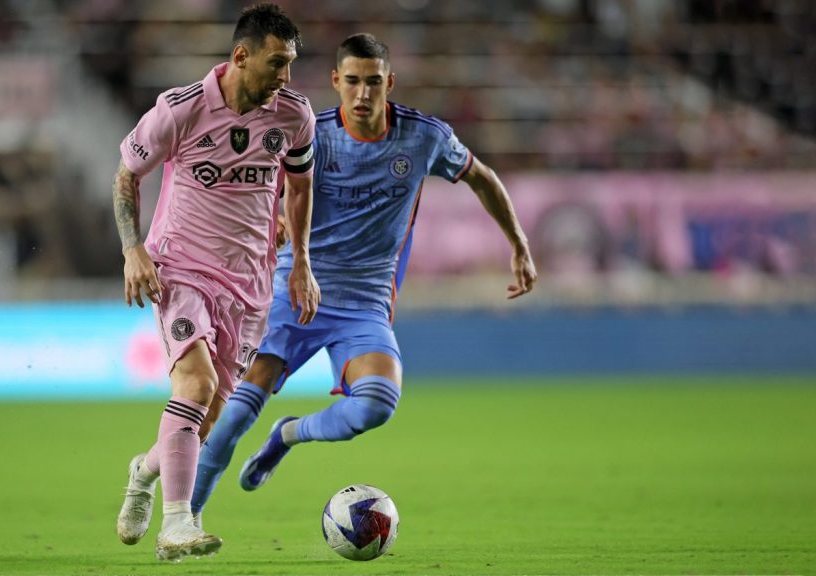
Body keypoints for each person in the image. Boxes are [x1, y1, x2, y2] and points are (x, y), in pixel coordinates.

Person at [190, 33, 537, 522]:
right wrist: (277, 222)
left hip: (364, 303)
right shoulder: (310, 134)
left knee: (377, 404)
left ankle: (287, 434)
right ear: (336, 81)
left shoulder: (424, 137)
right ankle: (186, 521)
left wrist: (519, 244)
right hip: (297, 287)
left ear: (389, 82)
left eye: (373, 82)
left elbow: (480, 175)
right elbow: (263, 186)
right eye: (352, 81)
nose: (362, 93)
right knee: (233, 417)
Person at [112, 3, 320, 562]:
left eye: (291, 65)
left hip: (250, 285)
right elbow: (127, 174)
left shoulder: (294, 116)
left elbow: (298, 187)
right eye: (277, 64)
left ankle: (144, 470)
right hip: (180, 268)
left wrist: (300, 260)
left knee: (204, 420)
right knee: (195, 387)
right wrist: (134, 249)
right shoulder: (179, 110)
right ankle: (178, 524)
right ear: (240, 56)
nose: (286, 77)